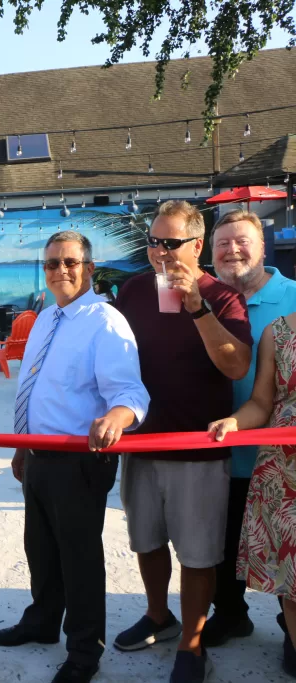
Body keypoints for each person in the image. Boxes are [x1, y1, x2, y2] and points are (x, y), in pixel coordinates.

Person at [0, 232, 150, 683]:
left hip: (78, 460)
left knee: (79, 559)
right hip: (38, 456)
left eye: (70, 262)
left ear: (89, 268)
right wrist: (22, 444)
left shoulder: (105, 322)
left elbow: (130, 392)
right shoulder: (46, 318)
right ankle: (41, 623)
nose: (61, 270)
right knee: (40, 549)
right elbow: (33, 387)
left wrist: (117, 416)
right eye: (52, 263)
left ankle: (83, 651)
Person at [113, 200, 253, 683]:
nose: (159, 252)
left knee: (197, 553)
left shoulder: (223, 296)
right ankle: (158, 616)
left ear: (197, 245)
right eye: (153, 241)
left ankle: (192, 644)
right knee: (145, 541)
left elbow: (235, 366)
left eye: (170, 243)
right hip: (141, 444)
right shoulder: (132, 291)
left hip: (197, 446)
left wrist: (196, 305)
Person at [208, 210, 296, 670]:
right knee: (221, 546)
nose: (231, 250)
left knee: (289, 550)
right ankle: (230, 614)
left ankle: (289, 626)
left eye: (241, 241)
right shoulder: (202, 301)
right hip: (218, 452)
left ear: (263, 247)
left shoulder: (291, 300)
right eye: (221, 243)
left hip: (280, 459)